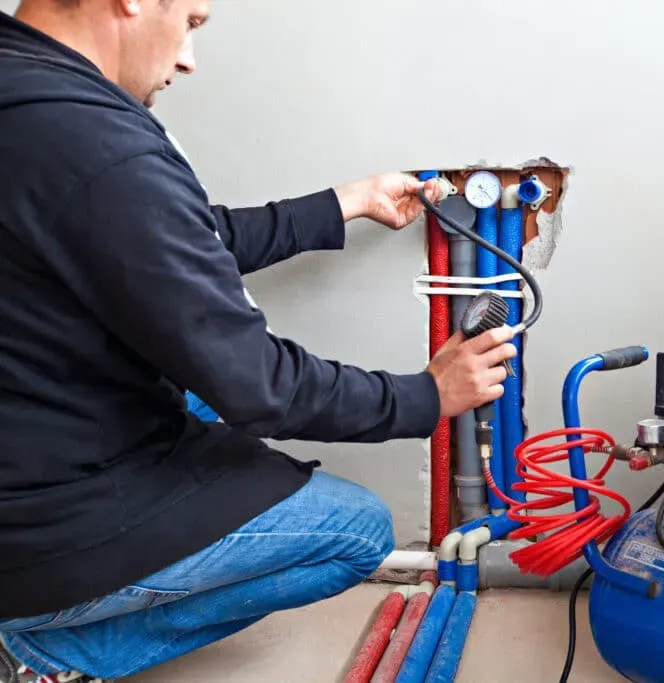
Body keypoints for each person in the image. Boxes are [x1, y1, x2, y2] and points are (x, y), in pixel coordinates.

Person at [0, 1, 517, 681]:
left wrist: (344, 202)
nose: (188, 58)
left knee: (200, 403)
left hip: (26, 425)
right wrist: (426, 395)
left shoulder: (26, 90)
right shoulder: (95, 141)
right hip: (36, 519)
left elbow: (170, 239)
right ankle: (36, 649)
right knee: (355, 532)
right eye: (190, 21)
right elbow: (258, 385)